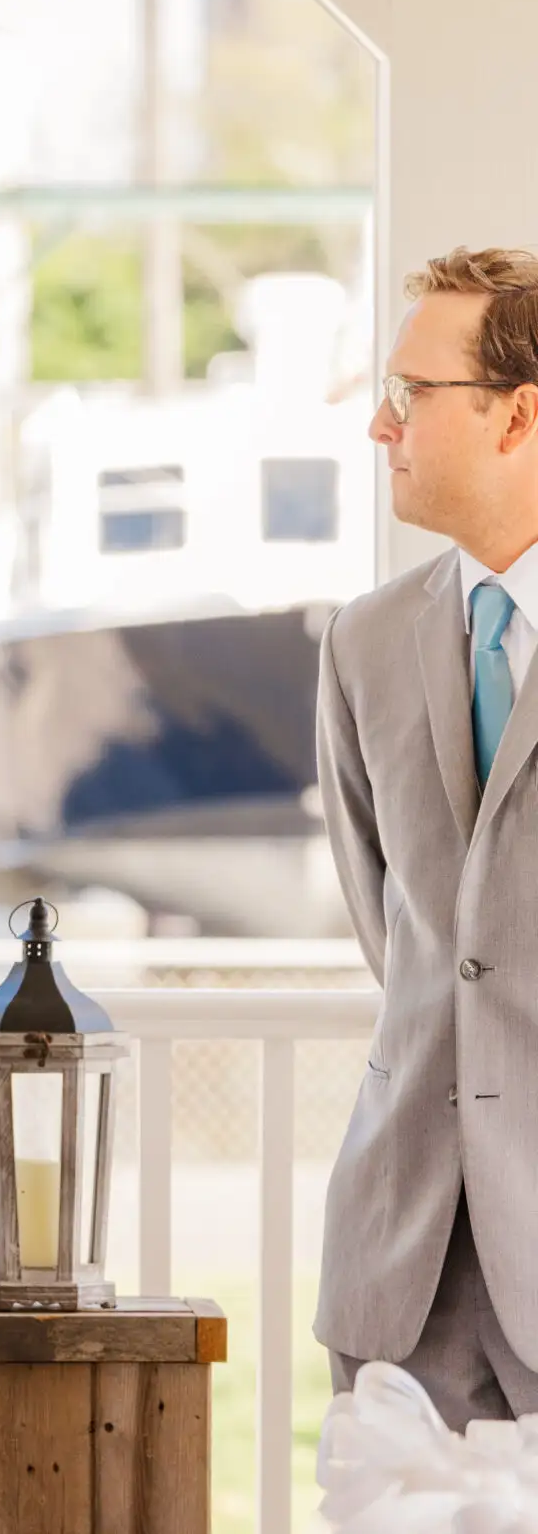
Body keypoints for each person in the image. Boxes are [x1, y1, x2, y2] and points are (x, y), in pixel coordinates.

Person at [314, 247, 538, 1428]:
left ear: (517, 414)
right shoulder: (363, 642)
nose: (377, 425)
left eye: (409, 394)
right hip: (399, 1281)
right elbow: (393, 923)